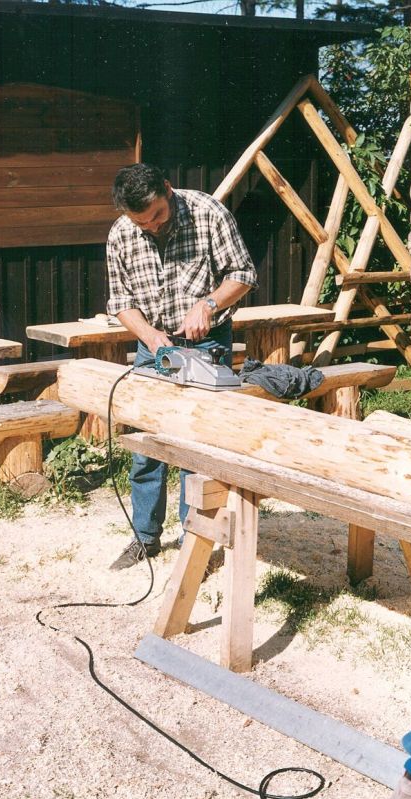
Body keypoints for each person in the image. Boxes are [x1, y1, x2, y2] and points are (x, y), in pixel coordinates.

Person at [106, 163, 257, 570]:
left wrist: (208, 304)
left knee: (198, 450)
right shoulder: (121, 233)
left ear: (168, 190)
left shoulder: (208, 213)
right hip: (153, 348)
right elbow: (120, 302)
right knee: (146, 448)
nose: (152, 226)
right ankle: (145, 537)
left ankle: (198, 544)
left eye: (157, 215)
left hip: (206, 343)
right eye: (142, 221)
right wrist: (149, 335)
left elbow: (243, 274)